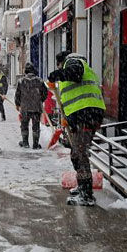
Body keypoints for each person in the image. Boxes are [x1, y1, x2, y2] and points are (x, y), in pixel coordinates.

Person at [47, 50, 106, 206]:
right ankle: (82, 187)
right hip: (83, 115)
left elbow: (75, 73)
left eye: (59, 65)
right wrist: (69, 118)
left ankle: (87, 195)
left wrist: (56, 74)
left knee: (79, 154)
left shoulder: (73, 62)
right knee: (76, 154)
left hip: (86, 114)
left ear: (61, 62)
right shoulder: (80, 66)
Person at [14, 62, 48, 149]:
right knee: (36, 125)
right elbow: (45, 93)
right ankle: (35, 144)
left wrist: (18, 104)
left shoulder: (21, 81)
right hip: (36, 107)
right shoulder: (39, 81)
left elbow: (17, 94)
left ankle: (25, 143)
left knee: (24, 125)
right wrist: (40, 100)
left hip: (25, 108)